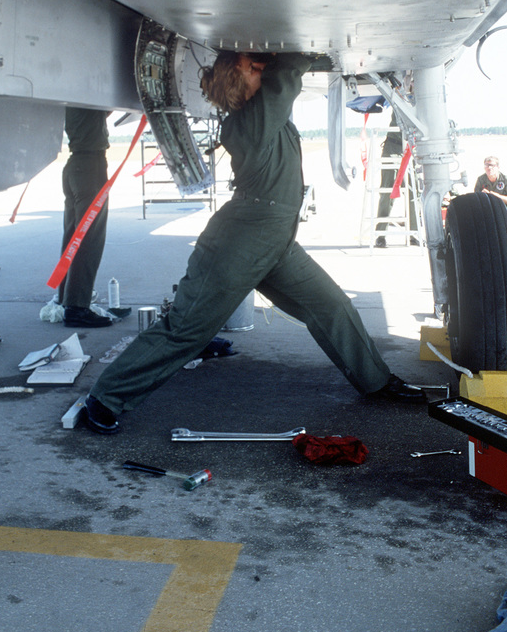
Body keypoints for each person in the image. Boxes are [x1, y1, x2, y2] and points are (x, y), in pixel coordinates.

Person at [82, 51, 425, 434]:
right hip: (238, 243)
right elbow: (283, 79)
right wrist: (300, 48)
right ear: (236, 81)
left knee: (332, 306)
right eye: (253, 68)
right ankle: (106, 397)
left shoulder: (264, 117)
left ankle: (377, 382)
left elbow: (277, 88)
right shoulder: (244, 124)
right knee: (187, 330)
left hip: (276, 241)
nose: (263, 69)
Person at [55, 107, 130, 327]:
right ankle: (77, 308)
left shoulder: (74, 98)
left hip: (76, 165)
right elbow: (107, 106)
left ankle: (66, 299)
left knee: (73, 238)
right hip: (90, 166)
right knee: (89, 240)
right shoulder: (90, 97)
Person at [374, 110, 420, 248]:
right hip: (393, 148)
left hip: (411, 148)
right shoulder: (400, 94)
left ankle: (413, 234)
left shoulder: (421, 100)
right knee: (387, 192)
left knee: (414, 193)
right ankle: (380, 235)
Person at [474, 156, 507, 223]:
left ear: (498, 167)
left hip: (504, 209)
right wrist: (482, 195)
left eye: (492, 165)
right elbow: (475, 199)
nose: (489, 168)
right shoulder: (481, 179)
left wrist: (497, 196)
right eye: (486, 165)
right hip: (488, 209)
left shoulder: (506, 179)